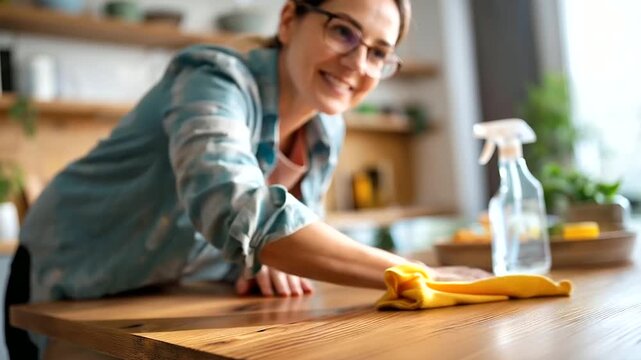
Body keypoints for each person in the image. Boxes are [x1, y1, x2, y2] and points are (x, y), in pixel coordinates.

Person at [4, 0, 488, 358]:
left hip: (164, 295)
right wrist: (412, 273)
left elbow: (279, 240)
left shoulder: (327, 125)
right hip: (68, 282)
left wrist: (259, 261)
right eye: (344, 32)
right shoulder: (213, 77)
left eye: (379, 53)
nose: (358, 65)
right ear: (288, 19)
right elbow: (234, 205)